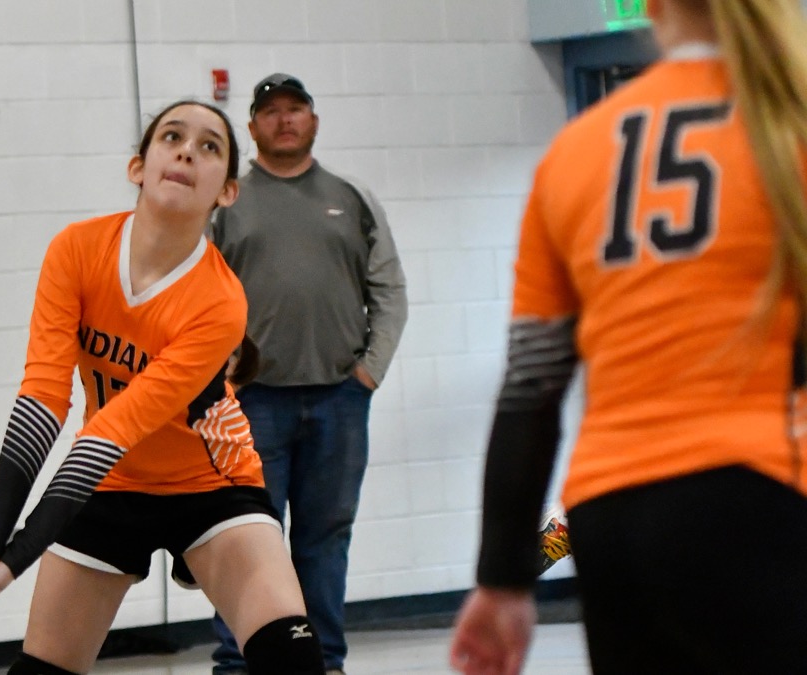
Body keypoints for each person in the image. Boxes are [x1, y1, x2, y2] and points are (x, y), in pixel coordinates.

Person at [449, 1, 807, 673]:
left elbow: (530, 384)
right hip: (765, 488)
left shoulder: (575, 150)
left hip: (612, 515)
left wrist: (502, 576)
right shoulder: (787, 119)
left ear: (652, 6)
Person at [0, 99, 326, 675]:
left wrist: (15, 558)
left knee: (294, 663)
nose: (187, 151)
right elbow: (43, 398)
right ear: (138, 166)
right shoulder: (75, 250)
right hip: (112, 485)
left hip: (212, 486)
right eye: (172, 136)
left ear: (226, 191)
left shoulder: (220, 303)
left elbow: (112, 429)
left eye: (209, 147)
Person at [209, 73, 409, 675]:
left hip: (340, 403)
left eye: (296, 109)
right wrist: (218, 383)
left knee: (324, 540)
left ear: (314, 121)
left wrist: (367, 375)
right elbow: (196, 297)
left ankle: (323, 661)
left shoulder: (353, 197)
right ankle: (240, 662)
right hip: (251, 405)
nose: (285, 120)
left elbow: (390, 290)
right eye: (271, 112)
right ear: (252, 128)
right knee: (244, 538)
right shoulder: (227, 201)